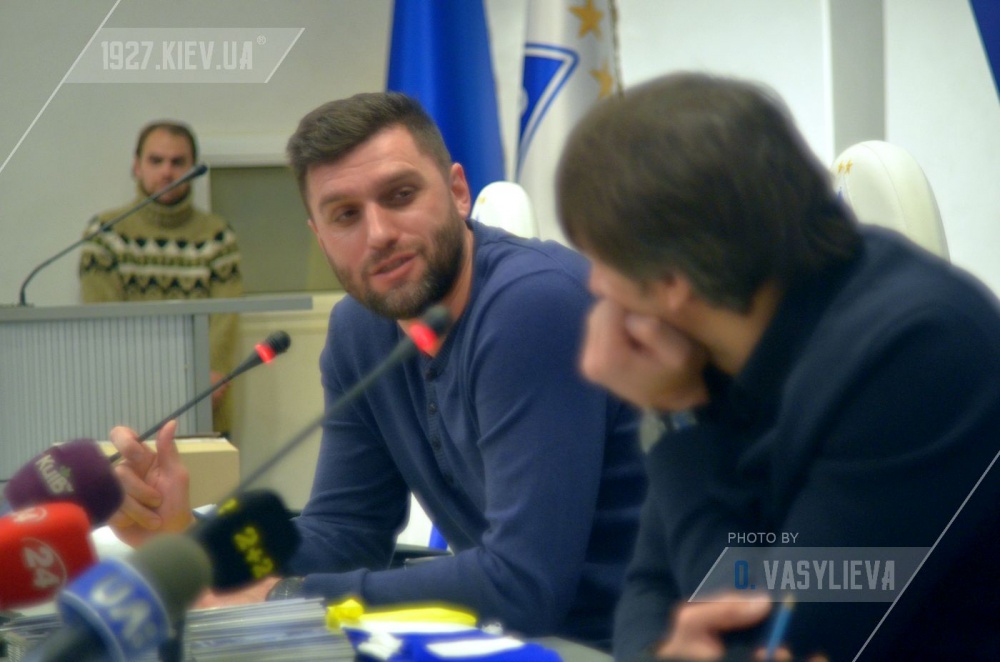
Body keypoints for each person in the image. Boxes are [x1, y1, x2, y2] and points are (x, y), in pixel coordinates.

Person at [107, 92, 647, 647]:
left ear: (458, 193)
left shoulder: (531, 305)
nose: (379, 234)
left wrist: (287, 597)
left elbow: (524, 585)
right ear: (320, 237)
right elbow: (345, 532)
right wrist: (188, 538)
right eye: (345, 215)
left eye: (401, 195)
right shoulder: (360, 330)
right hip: (516, 642)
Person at [555, 72, 1000, 661]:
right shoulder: (712, 341)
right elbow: (650, 585)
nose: (593, 285)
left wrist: (674, 418)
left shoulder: (919, 353)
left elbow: (771, 633)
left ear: (671, 284)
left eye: (597, 259)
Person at [80, 121, 243, 435]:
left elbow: (226, 316)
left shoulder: (217, 236)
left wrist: (211, 374)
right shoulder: (105, 233)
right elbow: (102, 321)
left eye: (177, 162)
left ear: (193, 169)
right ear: (137, 166)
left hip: (202, 398)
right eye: (156, 161)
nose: (167, 172)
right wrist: (140, 385)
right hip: (126, 401)